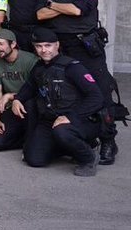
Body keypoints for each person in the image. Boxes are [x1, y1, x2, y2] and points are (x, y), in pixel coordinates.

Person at [36, 0, 118, 165]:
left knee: (100, 92)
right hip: (59, 48)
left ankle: (108, 139)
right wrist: (62, 8)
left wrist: (52, 5)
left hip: (85, 47)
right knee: (63, 92)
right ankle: (75, 135)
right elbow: (39, 14)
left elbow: (77, 11)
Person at [12, 27, 105, 176]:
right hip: (49, 120)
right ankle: (69, 147)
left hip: (78, 120)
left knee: (62, 132)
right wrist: (17, 100)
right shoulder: (39, 67)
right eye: (39, 46)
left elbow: (96, 98)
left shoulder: (72, 67)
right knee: (34, 159)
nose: (44, 50)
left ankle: (89, 156)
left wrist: (70, 117)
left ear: (57, 45)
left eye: (48, 45)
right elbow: (29, 87)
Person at [0, 28, 37, 152]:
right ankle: (24, 139)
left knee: (30, 104)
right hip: (11, 109)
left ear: (13, 44)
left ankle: (32, 141)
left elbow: (36, 90)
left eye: (1, 44)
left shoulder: (30, 60)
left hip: (31, 107)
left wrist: (11, 96)